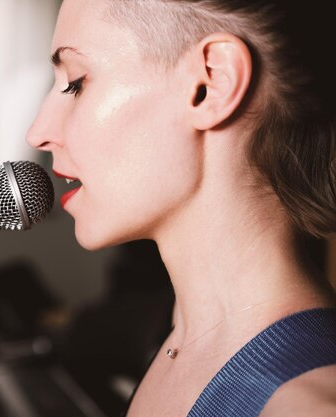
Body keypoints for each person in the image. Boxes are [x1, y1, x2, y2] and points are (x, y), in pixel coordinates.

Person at [25, 0, 336, 416]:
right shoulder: (180, 342)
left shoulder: (301, 405)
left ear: (211, 84)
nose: (38, 133)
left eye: (77, 82)